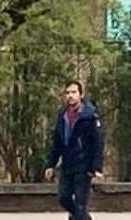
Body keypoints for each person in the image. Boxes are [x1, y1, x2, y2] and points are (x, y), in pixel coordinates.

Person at [43, 79, 105, 220]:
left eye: (74, 92)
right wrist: (51, 165)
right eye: (67, 93)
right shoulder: (62, 115)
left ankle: (79, 216)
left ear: (81, 95)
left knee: (80, 204)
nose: (70, 95)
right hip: (67, 165)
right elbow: (57, 142)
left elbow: (98, 143)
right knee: (63, 198)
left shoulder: (90, 116)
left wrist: (97, 167)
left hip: (84, 166)